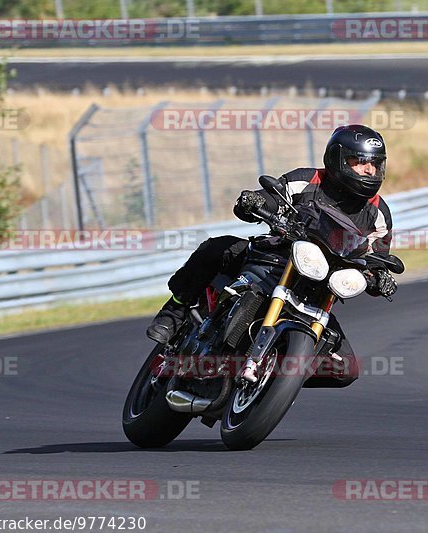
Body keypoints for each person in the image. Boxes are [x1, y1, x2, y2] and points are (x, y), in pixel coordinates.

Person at [145, 124, 398, 386]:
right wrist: (254, 201)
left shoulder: (379, 213)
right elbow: (272, 196)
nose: (369, 170)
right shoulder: (308, 179)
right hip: (272, 259)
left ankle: (274, 379)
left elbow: (376, 258)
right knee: (215, 248)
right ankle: (175, 310)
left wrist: (380, 279)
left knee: (347, 369)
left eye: (375, 164)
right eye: (360, 162)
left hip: (319, 288)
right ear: (338, 159)